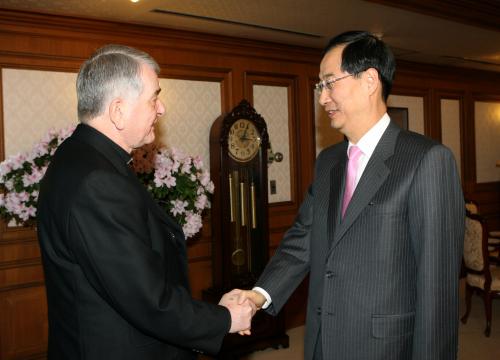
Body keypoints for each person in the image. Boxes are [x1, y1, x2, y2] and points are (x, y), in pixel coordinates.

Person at [238, 31, 464, 359]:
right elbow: (303, 239)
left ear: (370, 80)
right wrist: (258, 294)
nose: (322, 98)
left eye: (330, 83)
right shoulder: (328, 161)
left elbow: (438, 291)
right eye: (320, 86)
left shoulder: (427, 160)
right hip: (323, 342)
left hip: (385, 348)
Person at [37, 44, 255, 360]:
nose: (162, 108)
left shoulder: (79, 158)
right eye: (154, 97)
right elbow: (145, 299)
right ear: (118, 110)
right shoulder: (97, 181)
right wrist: (225, 319)